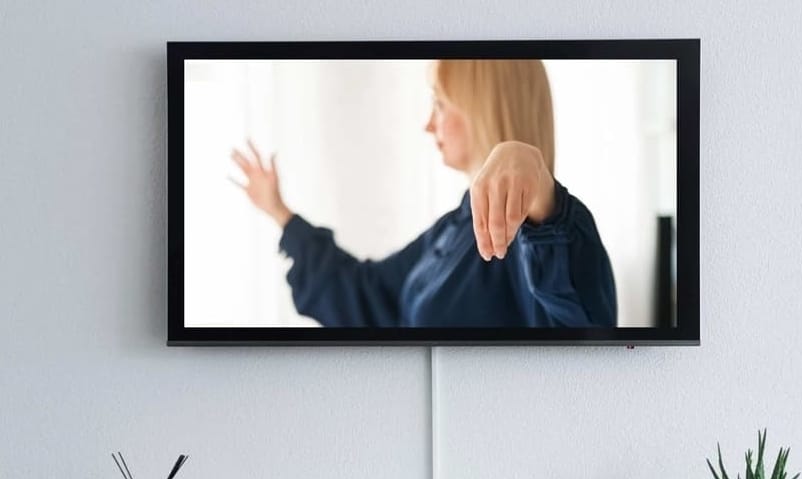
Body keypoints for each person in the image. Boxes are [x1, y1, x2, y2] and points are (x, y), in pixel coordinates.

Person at [230, 59, 616, 327]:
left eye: (440, 103)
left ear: (481, 107)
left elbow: (580, 327)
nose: (428, 124)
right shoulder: (455, 228)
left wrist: (539, 188)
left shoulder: (526, 238)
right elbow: (370, 294)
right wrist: (280, 213)